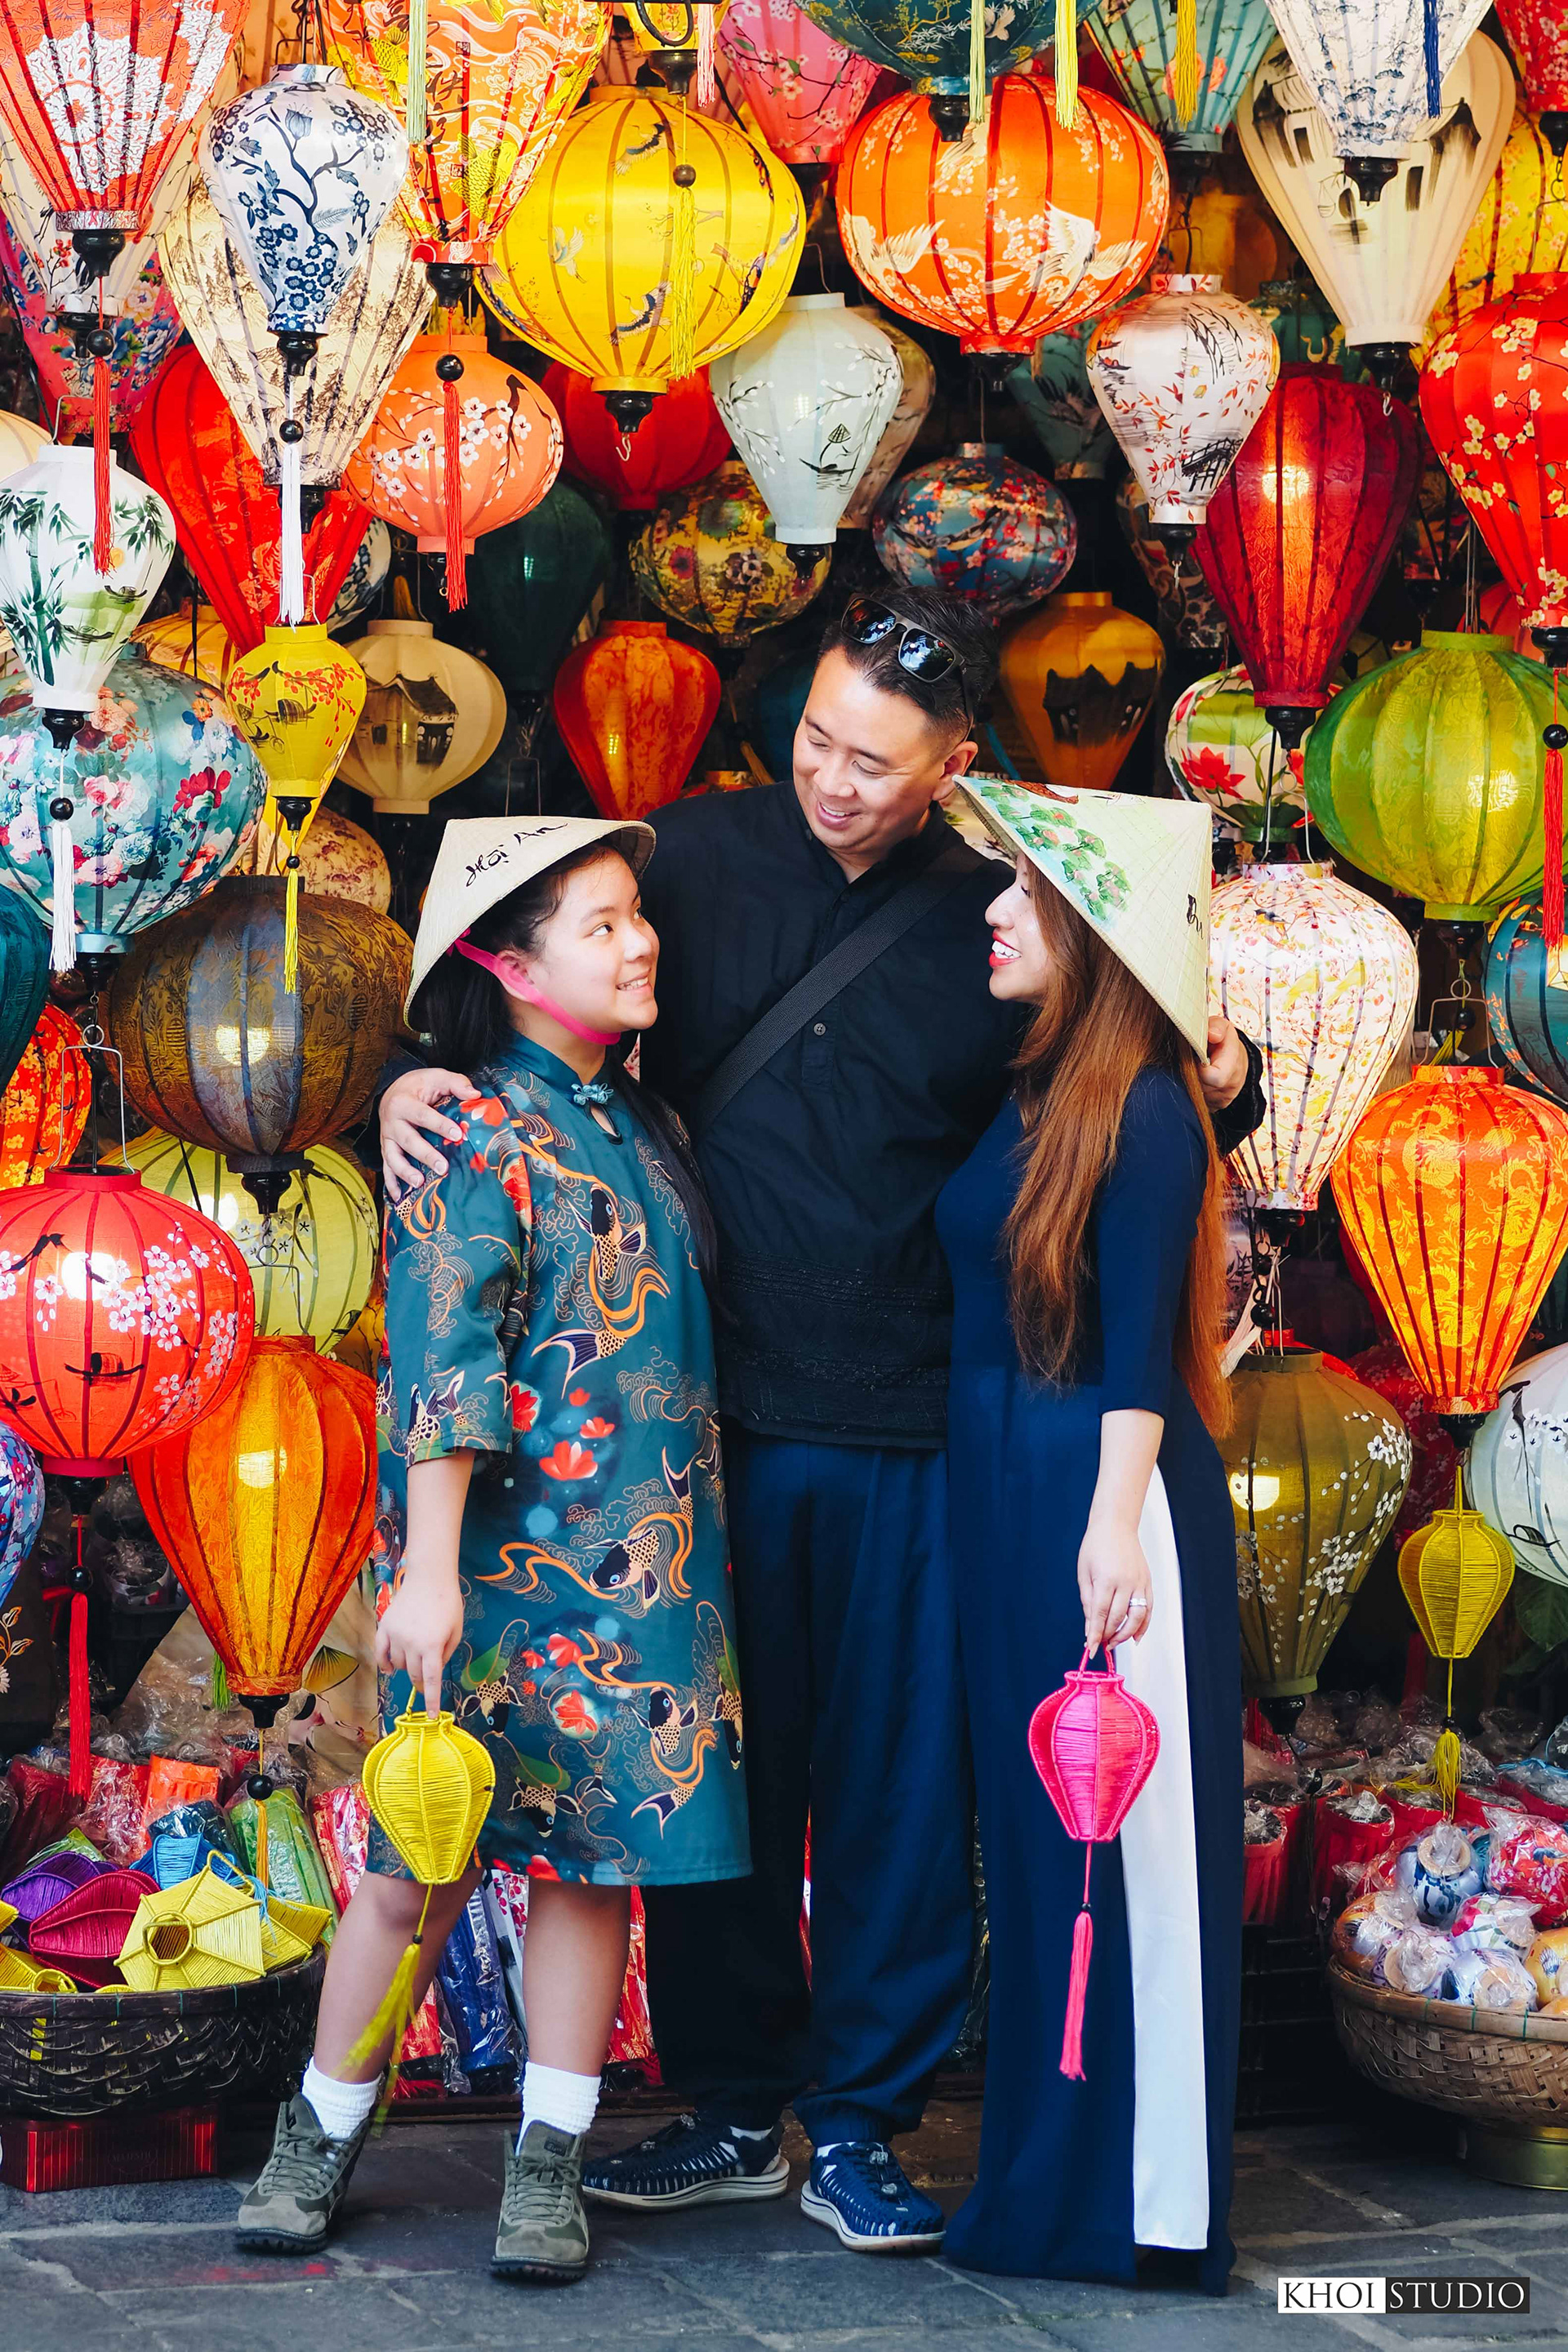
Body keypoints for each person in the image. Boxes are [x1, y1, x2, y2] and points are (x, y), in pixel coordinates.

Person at [380, 584, 1263, 2252]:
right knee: (724, 1779)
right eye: (816, 745)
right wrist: (416, 1078)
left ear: (950, 770)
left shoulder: (991, 905)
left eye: (875, 763)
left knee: (895, 1795)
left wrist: (1231, 1074)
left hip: (918, 1425)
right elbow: (533, 991)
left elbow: (1145, 1053)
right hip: (702, 1425)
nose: (836, 783)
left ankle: (860, 2122)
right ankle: (726, 2104)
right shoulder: (697, 864)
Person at [238, 816, 750, 2284]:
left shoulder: (640, 1122)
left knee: (595, 1869)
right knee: (418, 1858)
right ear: (508, 966)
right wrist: (429, 1573)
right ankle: (320, 2134)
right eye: (598, 926)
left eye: (634, 915)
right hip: (495, 1574)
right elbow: (446, 1362)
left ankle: (548, 2166)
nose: (638, 941)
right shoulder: (475, 1130)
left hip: (641, 1574)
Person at [934, 777, 1241, 2294]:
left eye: (1026, 896)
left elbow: (1139, 1357)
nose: (992, 913)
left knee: (1116, 1854)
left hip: (1098, 1501)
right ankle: (1047, 2186)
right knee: (1039, 1846)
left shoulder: (1144, 1103)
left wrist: (1114, 1528)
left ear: (1096, 930)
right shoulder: (1042, 1088)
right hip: (1009, 1490)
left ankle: (1141, 2206)